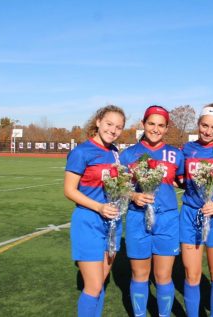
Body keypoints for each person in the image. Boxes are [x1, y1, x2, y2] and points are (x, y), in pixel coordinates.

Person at [119, 105, 184, 317]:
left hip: (167, 219)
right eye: (151, 124)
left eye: (161, 125)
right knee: (140, 274)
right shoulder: (129, 155)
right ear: (143, 124)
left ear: (166, 129)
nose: (155, 129)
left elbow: (184, 181)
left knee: (163, 276)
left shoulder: (176, 154)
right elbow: (120, 186)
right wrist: (134, 195)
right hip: (138, 218)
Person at [64, 105, 126, 317]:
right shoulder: (81, 152)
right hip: (89, 221)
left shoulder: (116, 152)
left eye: (118, 127)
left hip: (112, 224)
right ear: (98, 121)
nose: (113, 130)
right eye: (109, 124)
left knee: (100, 285)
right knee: (93, 287)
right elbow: (69, 190)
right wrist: (99, 207)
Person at [180, 103, 213, 317]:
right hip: (190, 215)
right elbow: (178, 178)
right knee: (191, 275)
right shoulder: (187, 149)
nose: (208, 131)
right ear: (198, 124)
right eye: (204, 125)